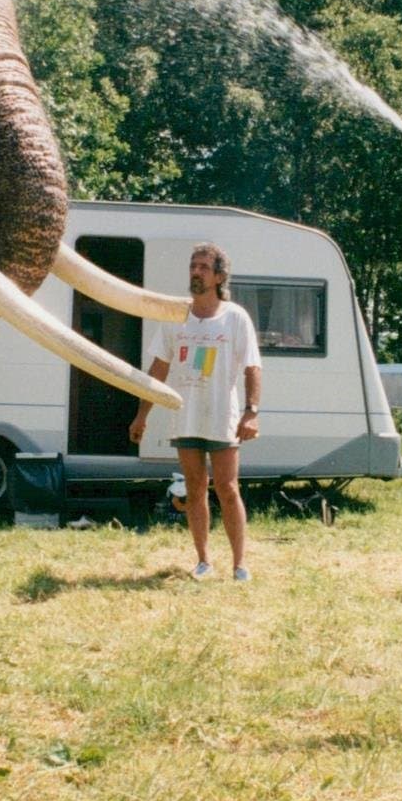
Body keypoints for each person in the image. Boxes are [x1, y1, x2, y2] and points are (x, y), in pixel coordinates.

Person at [130, 244, 263, 581]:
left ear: (219, 276)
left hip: (222, 417)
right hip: (185, 415)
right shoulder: (178, 316)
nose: (196, 272)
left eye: (204, 267)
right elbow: (158, 368)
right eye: (193, 266)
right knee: (194, 486)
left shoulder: (235, 317)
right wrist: (141, 413)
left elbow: (252, 368)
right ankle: (204, 560)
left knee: (228, 488)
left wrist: (251, 412)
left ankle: (240, 565)